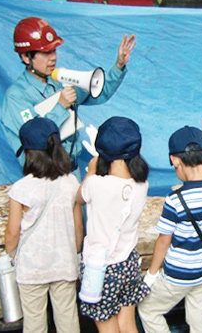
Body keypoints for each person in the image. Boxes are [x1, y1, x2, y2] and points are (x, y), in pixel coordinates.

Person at [138, 126, 202, 333]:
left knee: (148, 309)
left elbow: (163, 241)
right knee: (198, 318)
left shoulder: (175, 200)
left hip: (178, 274)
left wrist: (151, 275)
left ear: (175, 160)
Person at [1, 17, 136, 169]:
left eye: (53, 51)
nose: (53, 58)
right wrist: (60, 106)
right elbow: (34, 139)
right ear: (26, 57)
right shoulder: (17, 96)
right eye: (45, 53)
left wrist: (118, 66)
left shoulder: (59, 81)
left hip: (71, 170)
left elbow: (100, 91)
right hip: (43, 175)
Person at [4, 117, 81, 333]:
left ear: (28, 153)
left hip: (31, 267)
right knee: (68, 319)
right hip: (64, 263)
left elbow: (12, 232)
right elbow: (78, 228)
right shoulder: (71, 182)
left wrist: (10, 252)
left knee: (35, 322)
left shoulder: (20, 189)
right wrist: (74, 253)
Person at [76, 116, 150, 333]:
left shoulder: (96, 184)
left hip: (102, 269)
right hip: (128, 263)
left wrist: (90, 171)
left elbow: (78, 197)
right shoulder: (142, 184)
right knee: (127, 324)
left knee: (107, 326)